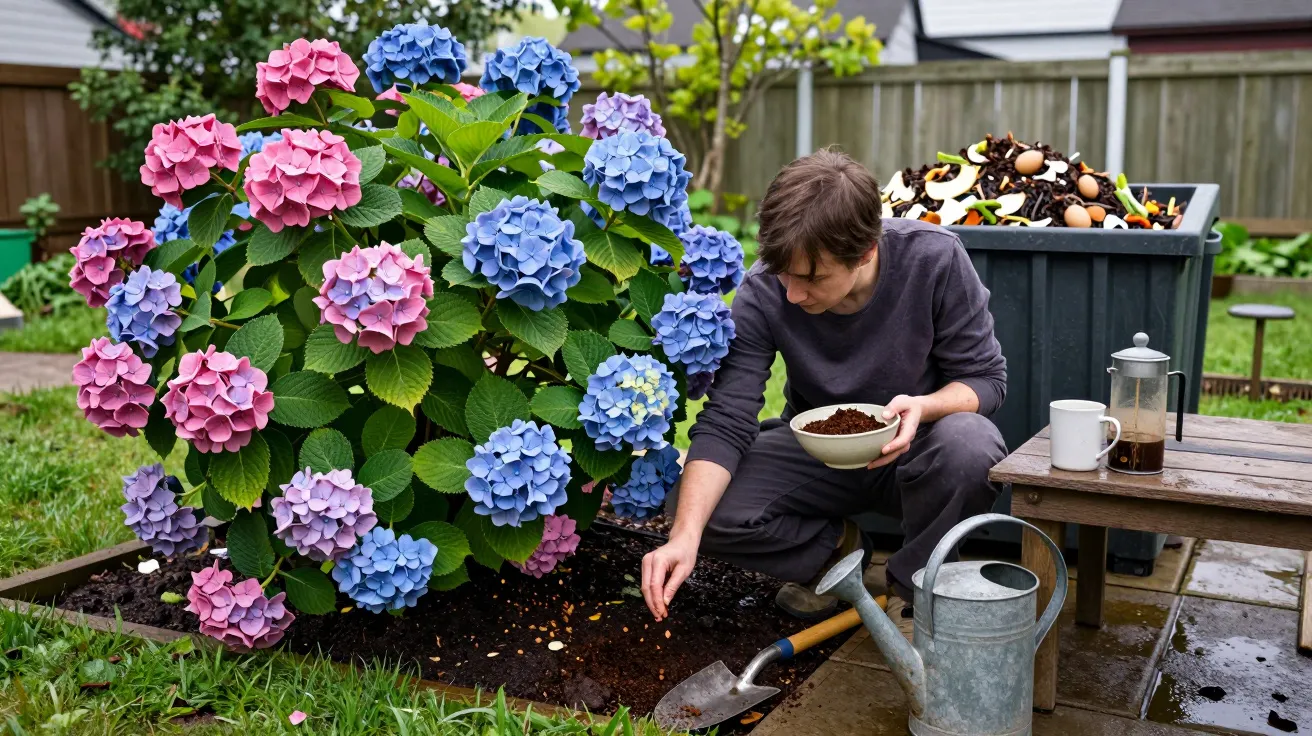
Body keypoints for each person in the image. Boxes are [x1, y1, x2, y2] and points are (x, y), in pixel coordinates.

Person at [640, 149, 1009, 638]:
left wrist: (925, 406)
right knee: (695, 508)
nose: (792, 294)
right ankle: (838, 553)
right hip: (817, 453)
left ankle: (915, 588)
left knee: (972, 445)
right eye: (783, 273)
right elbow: (728, 417)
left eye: (811, 278)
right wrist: (684, 538)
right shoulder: (766, 288)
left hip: (917, 452)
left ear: (866, 253)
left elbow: (986, 379)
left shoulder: (933, 258)